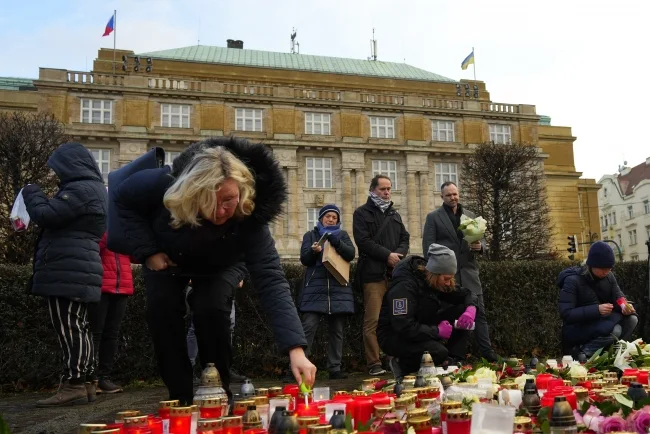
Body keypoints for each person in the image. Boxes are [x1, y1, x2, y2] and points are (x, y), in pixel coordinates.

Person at [109, 137, 316, 405]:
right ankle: (180, 398)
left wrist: (295, 349)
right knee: (161, 310)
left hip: (224, 262)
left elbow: (271, 280)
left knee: (212, 307)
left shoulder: (251, 220)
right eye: (209, 202)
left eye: (229, 199)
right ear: (190, 194)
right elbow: (121, 200)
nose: (221, 211)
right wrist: (147, 251)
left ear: (242, 191)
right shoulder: (160, 185)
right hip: (169, 256)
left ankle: (218, 391)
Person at [22, 142, 108, 407]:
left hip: (67, 266)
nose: (56, 175)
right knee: (80, 326)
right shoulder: (93, 188)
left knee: (69, 326)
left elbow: (46, 215)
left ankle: (75, 384)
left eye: (57, 168)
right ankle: (88, 381)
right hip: (79, 265)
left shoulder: (80, 189)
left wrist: (31, 192)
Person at [421, 181, 498, 362]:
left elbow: (483, 241)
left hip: (470, 274)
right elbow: (428, 248)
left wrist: (480, 246)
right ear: (442, 197)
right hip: (448, 277)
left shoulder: (470, 215)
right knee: (452, 315)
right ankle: (455, 356)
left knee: (479, 315)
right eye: (448, 195)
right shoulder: (433, 217)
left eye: (455, 194)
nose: (453, 197)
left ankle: (488, 354)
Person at [377, 244, 478, 379]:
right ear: (435, 274)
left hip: (419, 324)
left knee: (461, 310)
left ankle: (452, 362)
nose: (448, 283)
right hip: (394, 335)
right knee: (437, 352)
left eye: (451, 278)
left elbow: (466, 294)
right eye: (446, 279)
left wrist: (470, 308)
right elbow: (403, 325)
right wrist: (436, 331)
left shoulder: (434, 280)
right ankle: (402, 365)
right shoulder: (404, 286)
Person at [353, 175, 410, 376]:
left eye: (389, 189)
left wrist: (399, 255)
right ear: (373, 190)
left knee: (396, 318)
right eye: (382, 189)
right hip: (373, 275)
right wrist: (388, 255)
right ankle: (374, 363)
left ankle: (393, 358)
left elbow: (405, 237)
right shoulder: (361, 213)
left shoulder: (394, 214)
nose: (386, 193)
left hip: (394, 275)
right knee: (373, 321)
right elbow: (363, 241)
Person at [298, 204, 355, 380]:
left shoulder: (343, 235)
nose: (330, 219)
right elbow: (304, 259)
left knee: (337, 331)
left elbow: (351, 254)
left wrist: (336, 241)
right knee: (308, 328)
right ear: (321, 218)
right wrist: (313, 251)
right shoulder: (311, 235)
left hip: (338, 289)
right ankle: (300, 366)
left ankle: (334, 368)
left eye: (334, 217)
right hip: (315, 289)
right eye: (327, 216)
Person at [558, 241, 638, 358]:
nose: (606, 272)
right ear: (592, 265)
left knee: (632, 319)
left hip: (600, 321)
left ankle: (614, 354)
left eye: (609, 268)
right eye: (603, 268)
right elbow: (566, 313)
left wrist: (624, 306)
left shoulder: (609, 276)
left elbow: (618, 296)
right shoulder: (572, 280)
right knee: (615, 331)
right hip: (578, 327)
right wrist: (597, 310)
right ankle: (583, 353)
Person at [88, 231, 134, 395]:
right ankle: (90, 378)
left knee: (112, 334)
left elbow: (134, 255)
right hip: (101, 286)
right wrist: (110, 235)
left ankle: (103, 377)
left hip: (123, 287)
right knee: (96, 333)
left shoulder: (124, 227)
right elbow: (93, 249)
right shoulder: (101, 227)